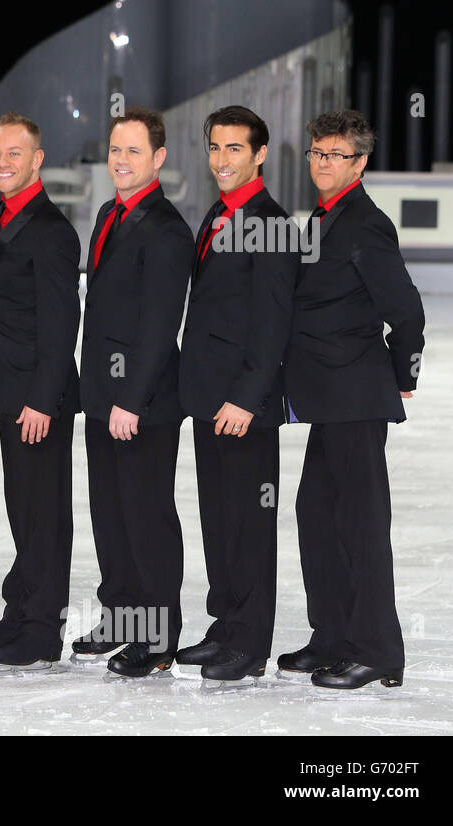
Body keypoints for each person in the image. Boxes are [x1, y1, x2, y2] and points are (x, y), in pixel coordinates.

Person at [278, 109, 425, 690]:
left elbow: (406, 311)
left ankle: (379, 651)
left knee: (361, 525)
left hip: (356, 396)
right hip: (326, 398)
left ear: (360, 163)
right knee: (317, 516)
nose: (322, 164)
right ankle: (333, 637)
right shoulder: (324, 217)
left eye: (335, 155)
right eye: (317, 153)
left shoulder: (365, 224)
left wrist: (399, 373)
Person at [175, 105, 295, 681]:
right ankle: (225, 626)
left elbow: (273, 324)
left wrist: (247, 397)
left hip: (242, 406)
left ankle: (248, 643)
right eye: (215, 148)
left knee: (248, 522)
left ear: (260, 154)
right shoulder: (218, 216)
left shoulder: (269, 222)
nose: (222, 160)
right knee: (219, 519)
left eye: (235, 150)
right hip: (208, 398)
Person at [75, 106, 193, 677]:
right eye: (115, 150)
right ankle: (121, 616)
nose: (121, 161)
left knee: (146, 516)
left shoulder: (167, 230)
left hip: (140, 403)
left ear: (158, 159)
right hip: (100, 393)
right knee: (111, 512)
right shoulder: (108, 214)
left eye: (133, 152)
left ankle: (158, 634)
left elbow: (159, 324)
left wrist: (131, 399)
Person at [0, 112, 80, 671]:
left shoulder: (50, 229)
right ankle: (22, 605)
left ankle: (43, 627)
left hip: (40, 398)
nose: (3, 164)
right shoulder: (0, 215)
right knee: (23, 507)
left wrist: (43, 398)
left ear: (37, 159)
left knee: (44, 512)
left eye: (14, 154)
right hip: (10, 391)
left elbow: (64, 322)